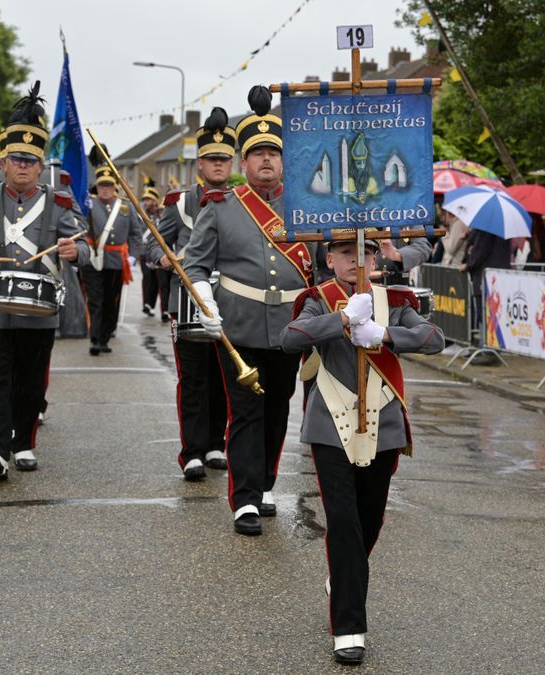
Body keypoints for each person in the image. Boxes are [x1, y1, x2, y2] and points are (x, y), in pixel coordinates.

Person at [280, 235, 444, 665]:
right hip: (330, 425)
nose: (357, 260)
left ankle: (343, 574)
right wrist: (341, 321)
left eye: (365, 253)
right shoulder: (318, 299)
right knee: (344, 521)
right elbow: (290, 338)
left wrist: (385, 333)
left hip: (383, 424)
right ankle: (349, 628)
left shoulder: (393, 300)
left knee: (369, 519)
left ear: (375, 259)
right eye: (347, 254)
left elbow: (433, 338)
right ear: (330, 259)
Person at [182, 86, 312, 535]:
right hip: (237, 327)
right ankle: (245, 499)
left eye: (273, 152)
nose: (265, 161)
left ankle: (267, 482)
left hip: (291, 327)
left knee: (278, 409)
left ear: (284, 159)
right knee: (246, 412)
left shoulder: (307, 207)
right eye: (256, 153)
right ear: (242, 162)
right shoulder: (221, 207)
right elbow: (195, 264)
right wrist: (206, 302)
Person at [0, 81, 90, 481]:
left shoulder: (60, 202)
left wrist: (76, 250)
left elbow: (84, 242)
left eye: (30, 159)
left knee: (29, 384)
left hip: (39, 310)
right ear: (3, 162)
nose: (23, 165)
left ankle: (23, 440)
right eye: (16, 158)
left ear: (41, 166)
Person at [148, 107, 235, 481]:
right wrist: (163, 259)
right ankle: (193, 451)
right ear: (200, 164)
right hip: (186, 304)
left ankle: (216, 443)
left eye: (224, 159)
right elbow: (151, 244)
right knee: (194, 378)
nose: (218, 165)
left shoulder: (242, 202)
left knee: (223, 377)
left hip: (230, 304)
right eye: (212, 159)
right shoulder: (178, 204)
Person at [82, 145, 144, 356]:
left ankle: (106, 336)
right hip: (94, 260)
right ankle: (95, 339)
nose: (105, 189)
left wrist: (133, 257)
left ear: (115, 186)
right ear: (96, 187)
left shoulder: (126, 207)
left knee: (111, 301)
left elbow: (136, 235)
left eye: (109, 185)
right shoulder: (89, 205)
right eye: (102, 186)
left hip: (117, 261)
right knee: (96, 300)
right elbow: (80, 230)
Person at [139, 176, 166, 319]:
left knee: (158, 280)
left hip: (157, 251)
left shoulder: (161, 215)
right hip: (144, 252)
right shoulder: (141, 215)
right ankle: (147, 304)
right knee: (147, 278)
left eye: (148, 199)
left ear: (155, 200)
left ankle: (157, 306)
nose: (146, 202)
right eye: (144, 199)